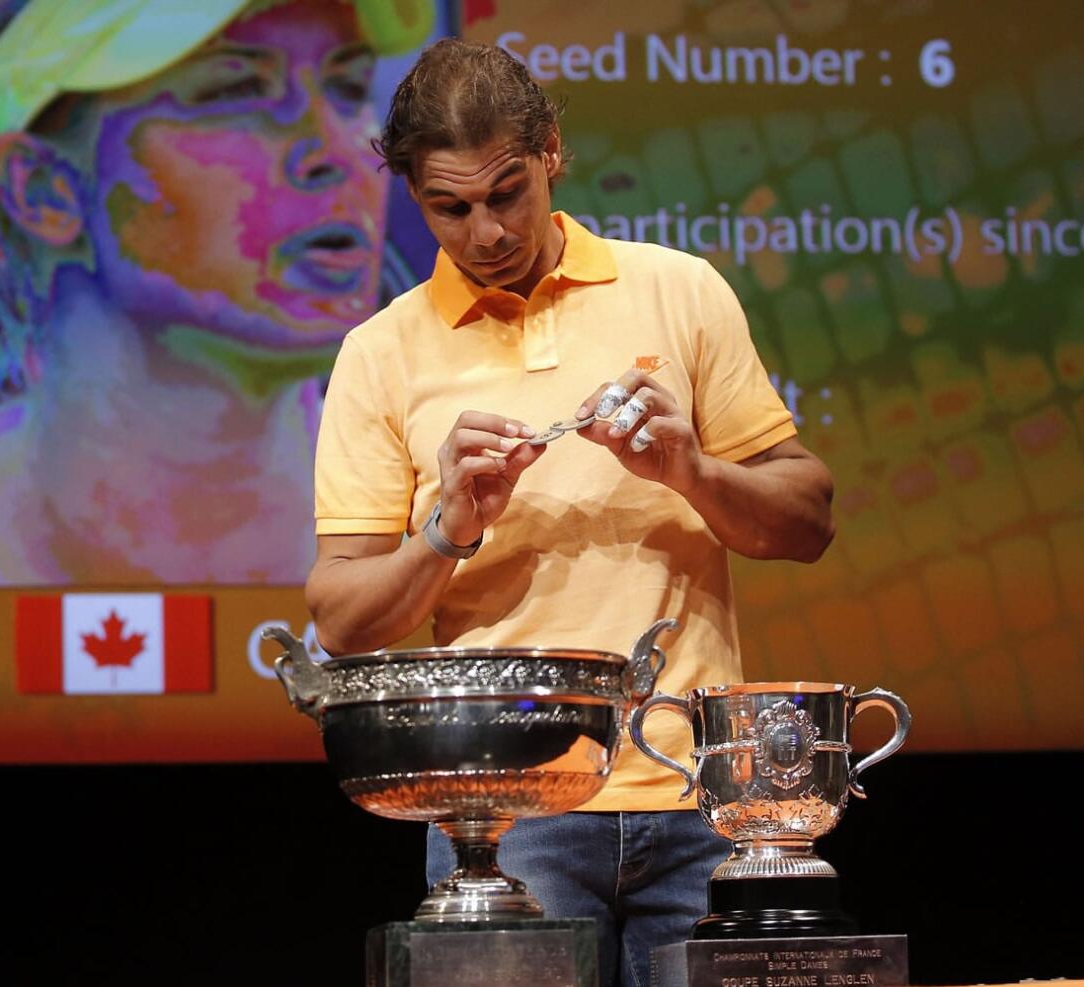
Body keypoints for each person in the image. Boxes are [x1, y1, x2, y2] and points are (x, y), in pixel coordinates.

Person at [305, 38, 836, 987]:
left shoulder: (679, 290)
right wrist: (448, 531)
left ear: (553, 151)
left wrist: (690, 467)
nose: (484, 234)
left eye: (506, 192)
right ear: (411, 194)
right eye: (449, 207)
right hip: (507, 815)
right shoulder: (378, 353)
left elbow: (806, 521)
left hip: (699, 795)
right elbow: (342, 622)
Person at [0, 0, 431, 587]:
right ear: (43, 191)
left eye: (349, 87)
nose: (338, 150)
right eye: (234, 90)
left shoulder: (454, 521)